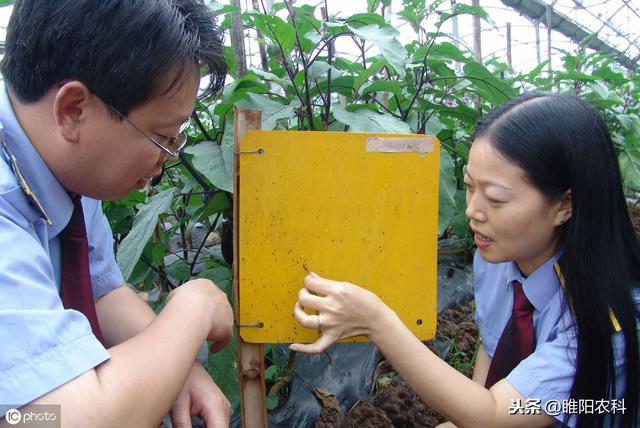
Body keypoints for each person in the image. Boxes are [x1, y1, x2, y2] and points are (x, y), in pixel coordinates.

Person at [291, 93, 640, 427]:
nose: (472, 211)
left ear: (564, 205)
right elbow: (492, 347)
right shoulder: (496, 259)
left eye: (496, 199)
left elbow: (495, 414)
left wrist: (378, 322)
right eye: (470, 186)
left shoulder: (608, 320)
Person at [0, 1, 234, 427]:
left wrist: (173, 367)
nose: (164, 162)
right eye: (163, 138)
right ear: (73, 109)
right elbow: (49, 420)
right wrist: (192, 311)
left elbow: (100, 289)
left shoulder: (64, 167)